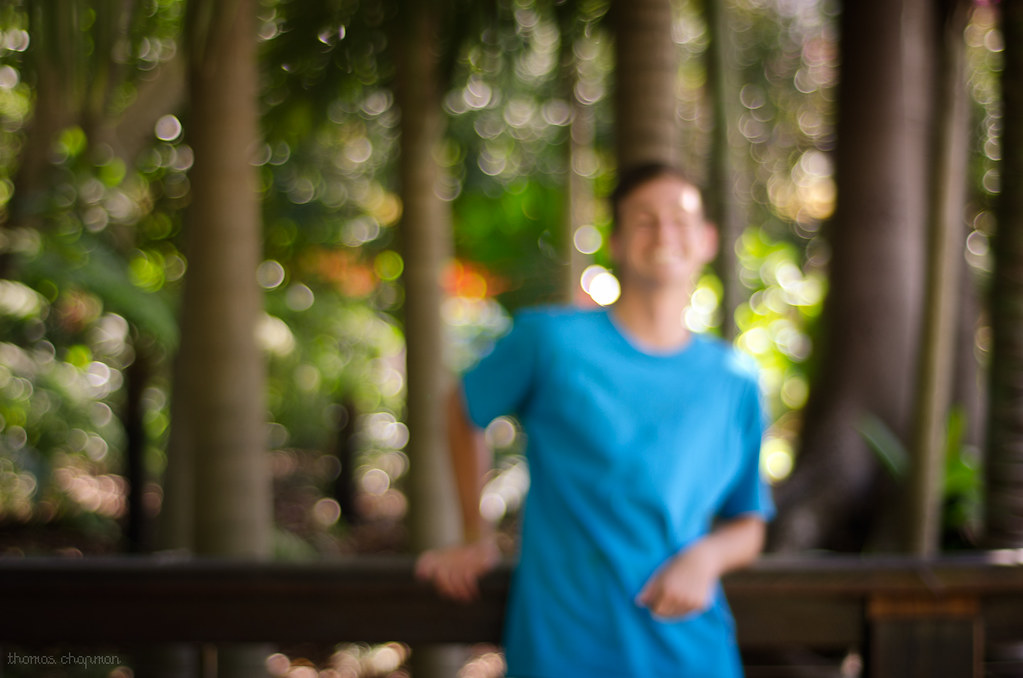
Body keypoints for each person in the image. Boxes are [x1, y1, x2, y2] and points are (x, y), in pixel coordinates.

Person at [415, 163, 775, 678]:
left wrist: (705, 559)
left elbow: (749, 525)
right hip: (563, 647)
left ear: (708, 240)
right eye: (645, 220)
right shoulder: (551, 341)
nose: (665, 232)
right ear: (619, 243)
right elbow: (463, 407)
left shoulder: (734, 378)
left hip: (691, 650)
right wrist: (476, 535)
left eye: (681, 218)